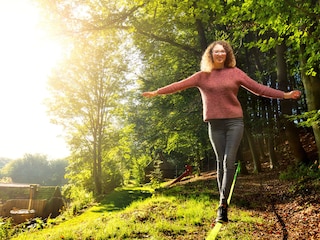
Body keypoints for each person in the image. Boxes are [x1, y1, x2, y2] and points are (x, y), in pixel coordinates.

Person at [142, 40, 301, 223]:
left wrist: (285, 95)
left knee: (228, 161)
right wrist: (157, 92)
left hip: (234, 123)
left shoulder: (235, 73)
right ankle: (222, 201)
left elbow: (259, 89)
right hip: (214, 125)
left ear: (227, 55)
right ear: (210, 55)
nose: (220, 54)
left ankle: (222, 205)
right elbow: (179, 85)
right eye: (216, 52)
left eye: (223, 52)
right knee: (219, 163)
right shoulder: (203, 76)